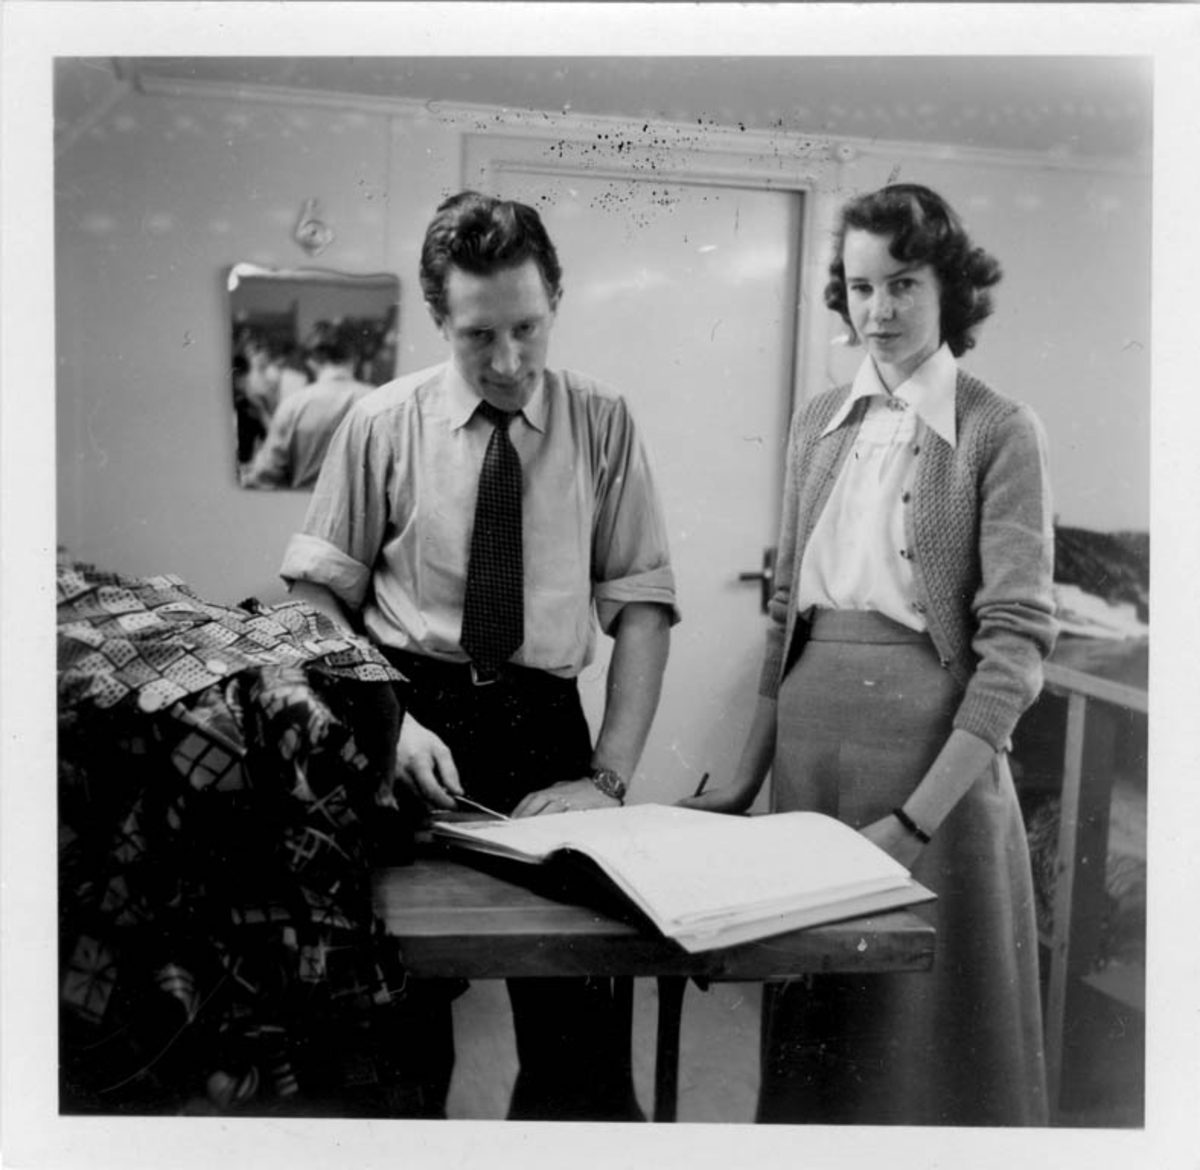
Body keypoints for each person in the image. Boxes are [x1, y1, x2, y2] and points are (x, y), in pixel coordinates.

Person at [279, 191, 678, 1119]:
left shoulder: (603, 421)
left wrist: (608, 777)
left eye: (527, 329)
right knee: (400, 1035)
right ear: (438, 319)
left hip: (547, 733)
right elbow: (313, 596)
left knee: (579, 1049)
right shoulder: (382, 422)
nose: (507, 362)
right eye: (478, 337)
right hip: (409, 725)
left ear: (555, 302)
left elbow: (643, 608)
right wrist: (386, 717)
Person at [683, 183, 1056, 1126]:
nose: (879, 310)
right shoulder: (817, 420)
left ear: (950, 290)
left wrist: (915, 823)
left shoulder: (999, 429)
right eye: (860, 287)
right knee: (816, 1029)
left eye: (903, 284)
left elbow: (1014, 649)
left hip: (931, 768)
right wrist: (744, 780)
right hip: (810, 760)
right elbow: (785, 618)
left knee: (921, 1042)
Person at [241, 320, 374, 490]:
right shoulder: (379, 400)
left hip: (303, 503)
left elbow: (267, 474)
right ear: (354, 358)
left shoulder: (293, 405)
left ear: (311, 361)